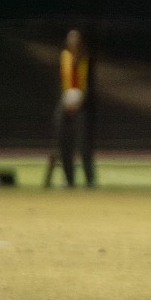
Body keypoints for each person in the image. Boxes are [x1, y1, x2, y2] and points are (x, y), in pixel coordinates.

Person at [52, 29, 95, 188]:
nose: (73, 42)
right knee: (63, 141)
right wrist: (65, 101)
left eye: (76, 39)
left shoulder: (86, 60)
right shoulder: (64, 57)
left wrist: (80, 102)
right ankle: (69, 179)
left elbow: (88, 85)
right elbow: (60, 81)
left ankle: (90, 180)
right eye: (71, 39)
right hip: (64, 102)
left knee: (83, 143)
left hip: (81, 105)